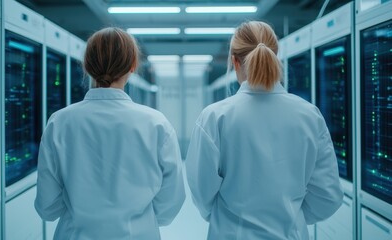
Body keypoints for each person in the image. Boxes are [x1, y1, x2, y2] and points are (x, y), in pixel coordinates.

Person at [185, 21, 343, 240]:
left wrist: (226, 219)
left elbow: (202, 193)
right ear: (275, 56)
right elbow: (328, 197)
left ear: (234, 61)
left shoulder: (214, 117)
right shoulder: (309, 115)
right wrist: (290, 218)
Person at [35, 27, 185, 239]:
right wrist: (142, 220)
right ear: (133, 66)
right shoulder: (156, 123)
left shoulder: (59, 122)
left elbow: (47, 207)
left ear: (87, 66)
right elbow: (172, 200)